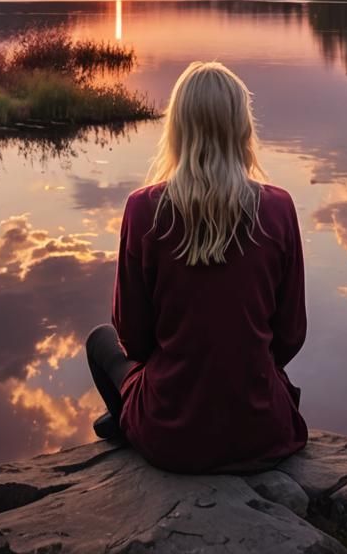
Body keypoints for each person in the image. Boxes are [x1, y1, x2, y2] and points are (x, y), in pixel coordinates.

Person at [85, 60, 308, 474]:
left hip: (172, 438)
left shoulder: (142, 209)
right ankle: (135, 417)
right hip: (264, 432)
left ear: (178, 128)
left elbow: (133, 339)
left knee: (102, 341)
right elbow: (290, 336)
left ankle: (128, 420)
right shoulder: (279, 208)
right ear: (242, 127)